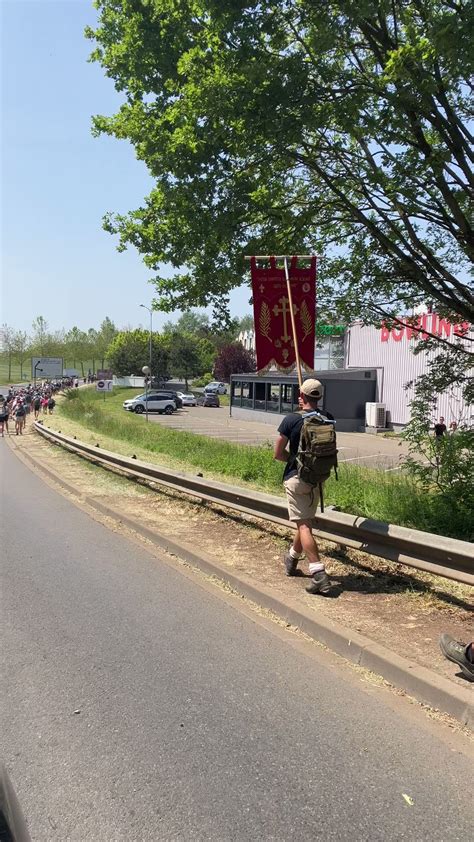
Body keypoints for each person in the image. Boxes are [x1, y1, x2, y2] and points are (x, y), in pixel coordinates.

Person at [274, 378, 334, 595]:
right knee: (304, 520)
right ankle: (291, 559)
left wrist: (295, 460)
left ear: (302, 396)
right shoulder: (328, 418)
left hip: (296, 478)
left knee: (304, 526)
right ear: (319, 396)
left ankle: (319, 574)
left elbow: (278, 454)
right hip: (317, 478)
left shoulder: (291, 420)